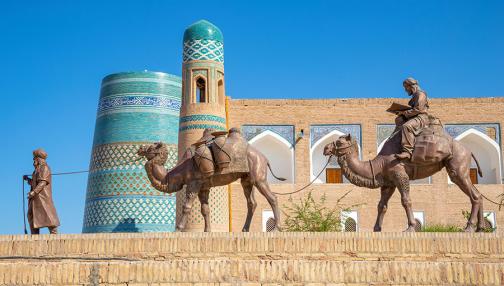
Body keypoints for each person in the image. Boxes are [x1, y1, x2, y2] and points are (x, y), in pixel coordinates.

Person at [23, 149, 60, 234]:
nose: (33, 160)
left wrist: (34, 192)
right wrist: (27, 179)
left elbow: (42, 182)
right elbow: (35, 183)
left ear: (38, 158)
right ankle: (35, 235)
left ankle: (54, 234)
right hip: (35, 199)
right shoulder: (37, 170)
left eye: (34, 158)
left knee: (49, 216)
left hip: (43, 198)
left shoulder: (44, 168)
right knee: (31, 215)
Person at [395, 78, 430, 160]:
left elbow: (419, 109)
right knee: (399, 120)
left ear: (411, 86)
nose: (405, 90)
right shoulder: (415, 95)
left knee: (406, 126)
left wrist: (404, 113)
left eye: (406, 87)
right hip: (415, 116)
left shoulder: (420, 94)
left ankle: (407, 151)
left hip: (421, 118)